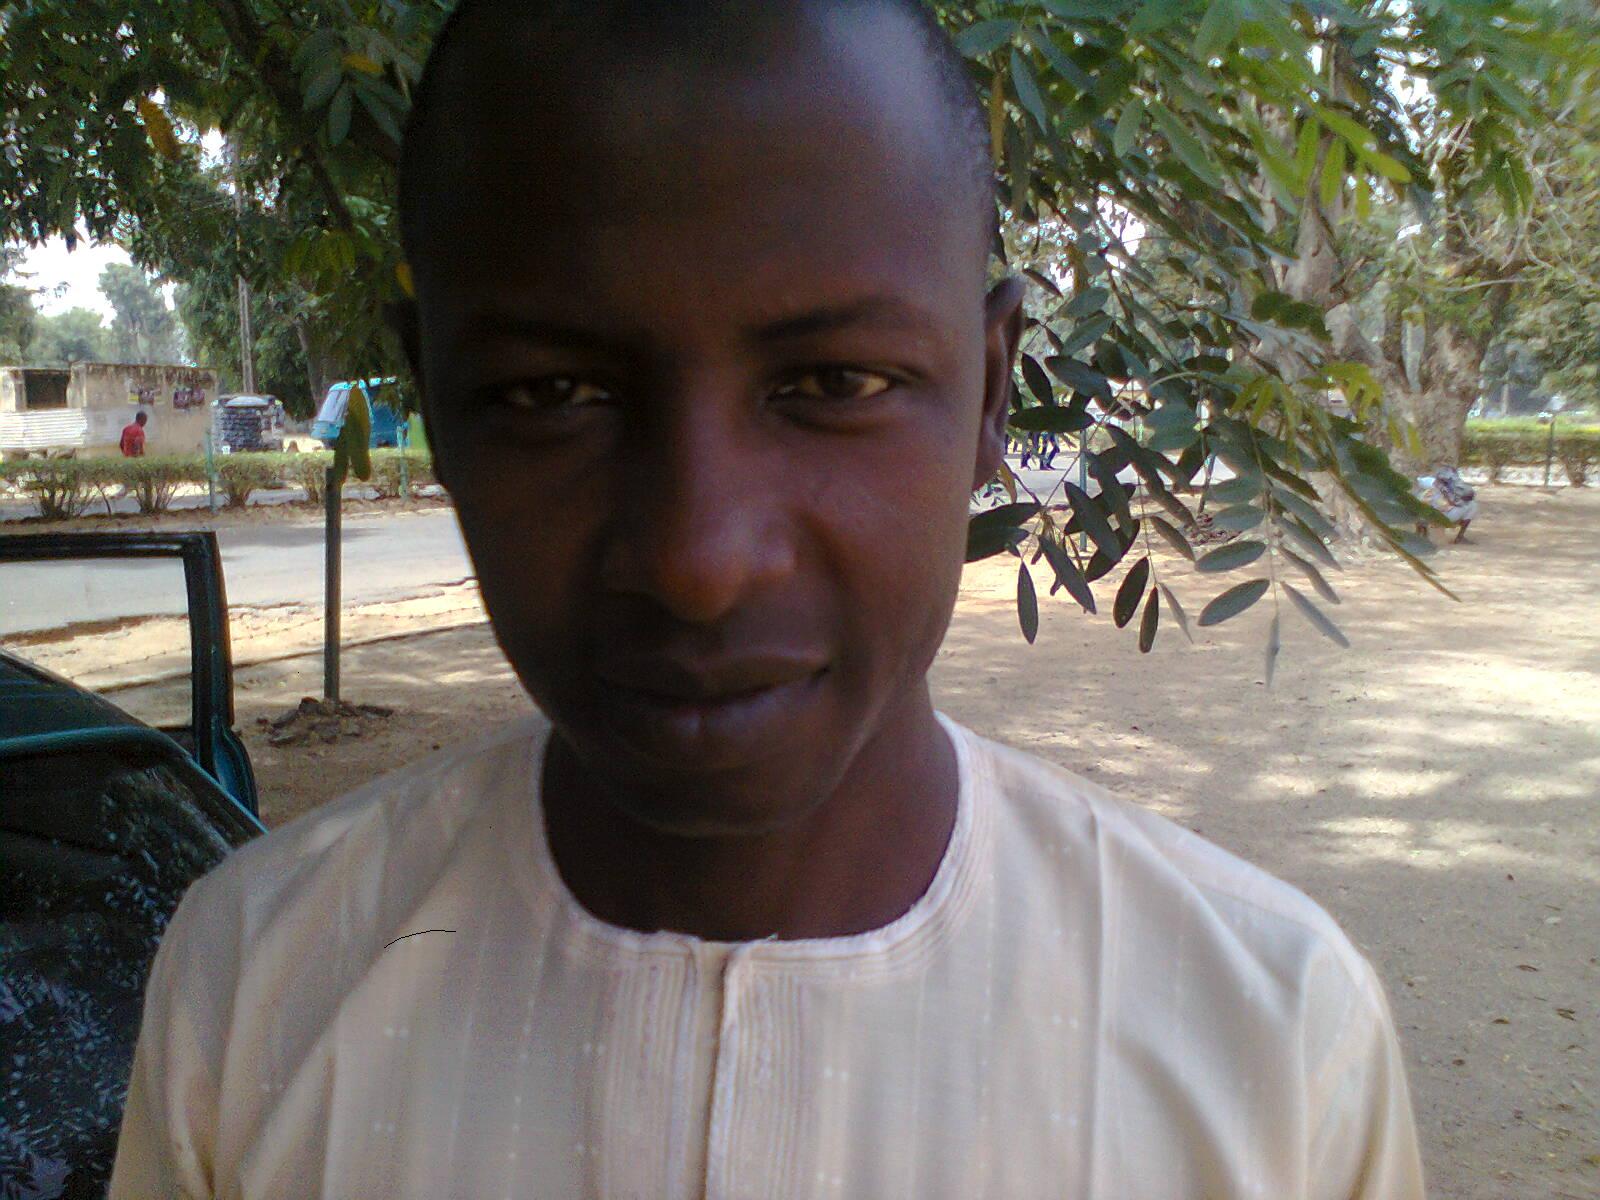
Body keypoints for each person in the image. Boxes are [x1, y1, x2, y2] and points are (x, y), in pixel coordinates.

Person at [111, 3, 1426, 1197]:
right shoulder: (258, 990)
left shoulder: (1269, 1042)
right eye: (550, 394)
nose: (699, 560)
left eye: (836, 383)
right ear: (440, 412)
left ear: (988, 391)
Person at [1415, 464, 1478, 543]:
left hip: (1428, 516)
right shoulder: (1453, 487)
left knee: (1420, 502)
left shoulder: (1428, 484)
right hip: (1444, 518)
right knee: (1472, 505)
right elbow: (1458, 502)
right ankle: (1460, 537)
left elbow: (1419, 483)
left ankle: (1421, 533)